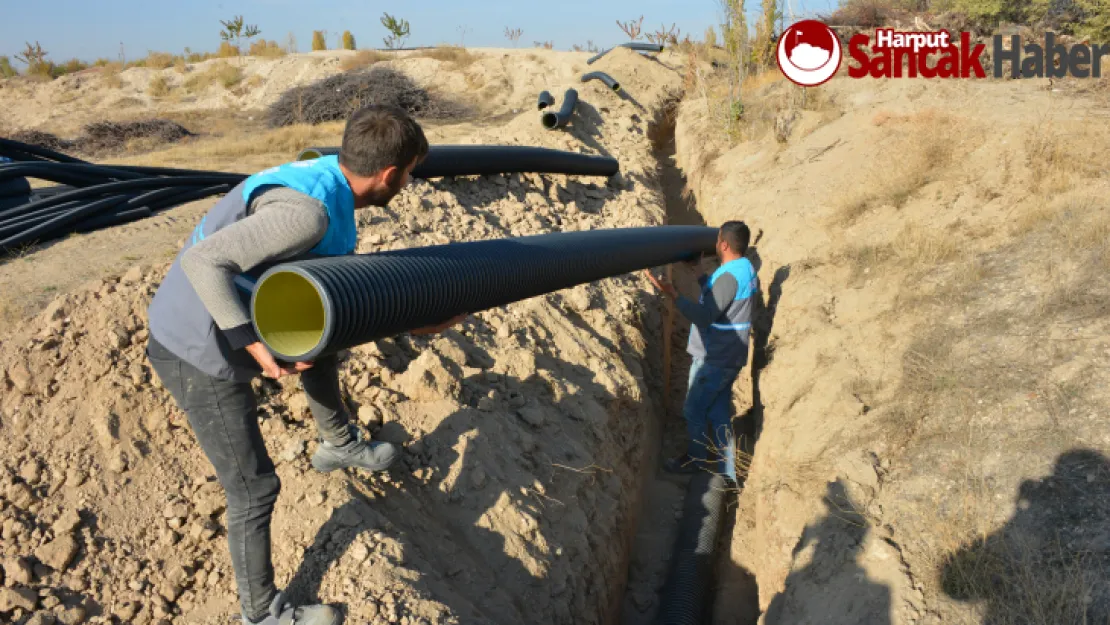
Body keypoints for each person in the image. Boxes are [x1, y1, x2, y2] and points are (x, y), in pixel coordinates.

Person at [144, 105, 463, 625]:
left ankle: (338, 445)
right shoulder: (306, 214)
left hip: (240, 311)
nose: (410, 182)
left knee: (323, 341)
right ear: (388, 175)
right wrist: (250, 342)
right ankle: (261, 613)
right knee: (253, 486)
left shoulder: (329, 183)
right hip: (194, 345)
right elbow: (202, 262)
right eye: (409, 173)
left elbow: (341, 297)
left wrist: (412, 323)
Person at [643, 220, 757, 484]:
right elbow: (721, 299)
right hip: (729, 355)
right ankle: (727, 470)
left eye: (717, 240)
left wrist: (673, 294)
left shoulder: (730, 276)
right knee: (717, 412)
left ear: (724, 244)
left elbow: (706, 316)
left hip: (716, 358)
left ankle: (696, 460)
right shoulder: (743, 268)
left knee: (694, 410)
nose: (715, 244)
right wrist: (700, 275)